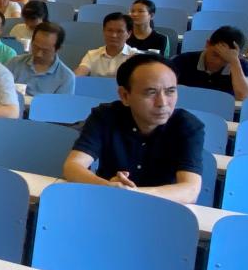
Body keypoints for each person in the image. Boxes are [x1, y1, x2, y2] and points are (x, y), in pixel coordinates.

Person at [63, 54, 204, 203]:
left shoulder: (187, 125)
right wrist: (107, 186)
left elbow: (190, 191)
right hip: (108, 202)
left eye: (170, 91)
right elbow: (72, 166)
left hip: (162, 208)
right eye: (151, 92)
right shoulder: (106, 116)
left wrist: (132, 193)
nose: (162, 103)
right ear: (125, 95)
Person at [169, 25, 248, 100]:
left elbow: (244, 96)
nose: (218, 61)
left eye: (225, 58)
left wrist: (234, 61)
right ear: (208, 44)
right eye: (215, 54)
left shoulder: (241, 66)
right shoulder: (183, 60)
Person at [6, 21, 76, 95]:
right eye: (36, 47)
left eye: (45, 51)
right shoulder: (15, 63)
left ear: (58, 49)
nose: (39, 54)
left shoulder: (66, 77)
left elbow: (59, 102)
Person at [75, 12, 136, 78]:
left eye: (119, 31)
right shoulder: (91, 55)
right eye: (110, 30)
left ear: (129, 34)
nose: (114, 35)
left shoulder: (136, 56)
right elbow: (80, 72)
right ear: (103, 31)